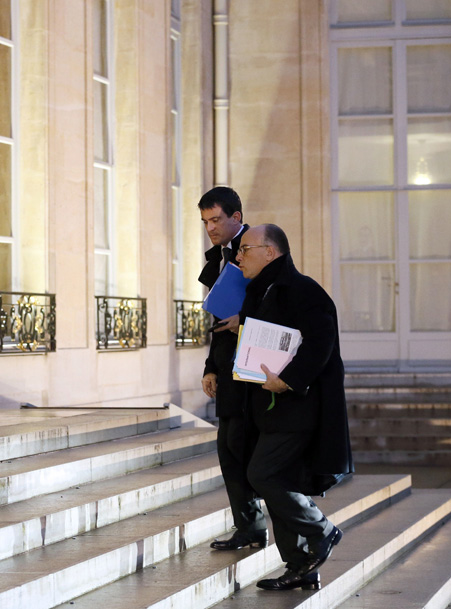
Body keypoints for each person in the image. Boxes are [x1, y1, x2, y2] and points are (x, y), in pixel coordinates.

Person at [234, 224, 354, 591]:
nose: (238, 257)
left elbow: (321, 345)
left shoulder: (304, 291)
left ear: (270, 251)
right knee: (279, 481)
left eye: (245, 249)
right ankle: (301, 565)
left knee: (263, 475)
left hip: (298, 407)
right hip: (268, 407)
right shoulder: (259, 291)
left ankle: (322, 530)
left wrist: (287, 381)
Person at [197, 186, 268, 552]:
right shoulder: (222, 256)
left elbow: (280, 305)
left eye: (216, 220)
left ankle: (265, 527)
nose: (210, 227)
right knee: (229, 446)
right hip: (230, 368)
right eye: (205, 221)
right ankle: (249, 526)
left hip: (258, 371)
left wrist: (247, 319)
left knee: (242, 448)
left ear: (236, 218)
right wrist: (211, 367)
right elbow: (220, 322)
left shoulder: (258, 248)